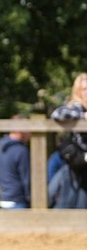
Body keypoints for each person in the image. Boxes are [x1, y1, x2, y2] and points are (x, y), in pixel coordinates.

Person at [48, 72, 87, 209]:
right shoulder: (77, 107)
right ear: (79, 91)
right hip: (81, 163)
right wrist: (83, 116)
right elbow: (57, 114)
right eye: (85, 89)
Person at [0, 117, 31, 209]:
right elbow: (27, 179)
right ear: (21, 131)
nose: (30, 134)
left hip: (4, 200)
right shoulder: (22, 151)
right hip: (18, 202)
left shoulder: (1, 150)